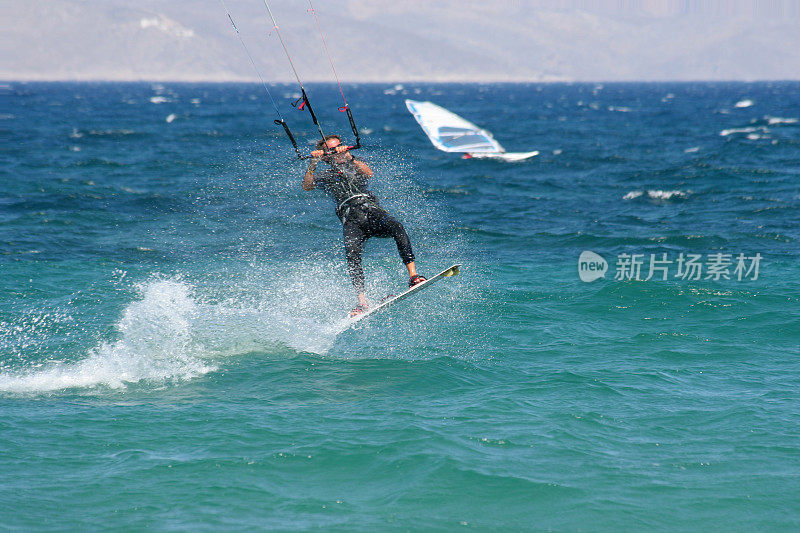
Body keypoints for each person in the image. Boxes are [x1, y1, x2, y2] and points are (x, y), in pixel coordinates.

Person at [302, 134, 426, 316]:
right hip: (351, 219)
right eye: (332, 149)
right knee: (352, 253)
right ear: (326, 155)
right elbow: (307, 186)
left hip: (371, 211)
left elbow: (369, 173)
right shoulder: (325, 175)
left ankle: (413, 276)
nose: (337, 150)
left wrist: (348, 157)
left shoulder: (354, 164)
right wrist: (313, 163)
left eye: (339, 146)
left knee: (397, 226)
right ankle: (362, 302)